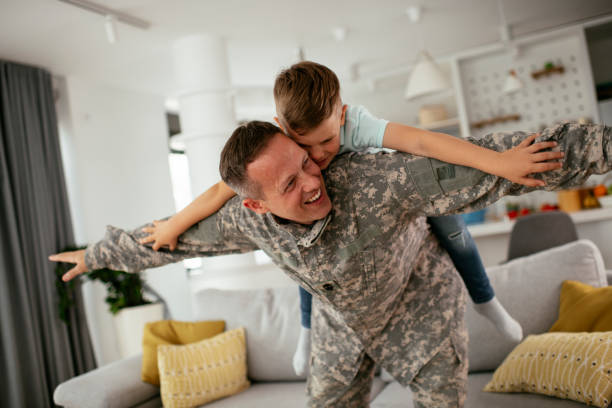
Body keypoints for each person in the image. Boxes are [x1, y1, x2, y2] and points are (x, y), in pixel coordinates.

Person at [51, 120, 611, 407]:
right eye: (290, 183)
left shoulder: (379, 179)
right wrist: (98, 255)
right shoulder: (245, 221)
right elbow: (168, 239)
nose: (313, 181)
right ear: (254, 203)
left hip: (421, 309)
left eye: (306, 164)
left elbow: (505, 157)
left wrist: (601, 146)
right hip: (341, 329)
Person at [139, 62, 560, 374]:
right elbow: (220, 189)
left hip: (396, 204)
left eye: (328, 140)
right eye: (308, 147)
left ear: (341, 115)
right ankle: (306, 332)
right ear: (283, 127)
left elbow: (422, 141)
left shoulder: (357, 124)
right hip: (329, 217)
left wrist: (500, 163)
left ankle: (486, 300)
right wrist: (175, 224)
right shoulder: (281, 144)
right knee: (307, 261)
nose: (320, 156)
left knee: (455, 230)